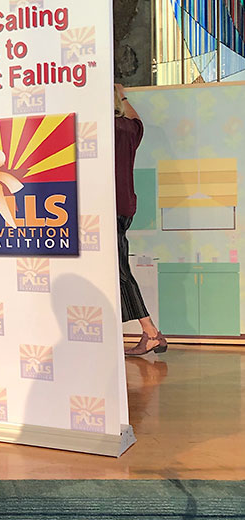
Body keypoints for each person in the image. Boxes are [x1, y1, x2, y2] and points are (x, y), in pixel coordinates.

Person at [114, 83, 167, 356]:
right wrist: (121, 94)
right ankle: (149, 332)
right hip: (125, 206)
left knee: (120, 270)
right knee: (118, 268)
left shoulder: (102, 130)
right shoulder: (130, 129)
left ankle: (151, 332)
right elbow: (136, 118)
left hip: (107, 207)